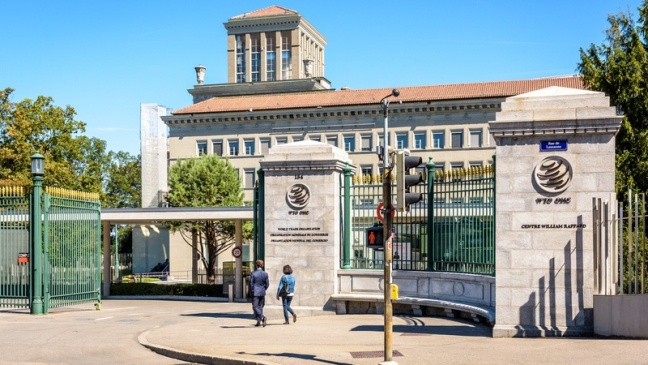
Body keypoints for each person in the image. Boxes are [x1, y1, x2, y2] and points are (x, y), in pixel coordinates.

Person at [249, 259, 269, 327]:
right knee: (260, 306)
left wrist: (251, 291)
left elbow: (251, 284)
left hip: (255, 292)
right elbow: (267, 284)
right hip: (262, 291)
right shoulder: (265, 274)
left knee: (255, 307)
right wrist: (264, 289)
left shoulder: (253, 273)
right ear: (262, 265)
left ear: (256, 265)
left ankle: (262, 317)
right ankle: (258, 321)